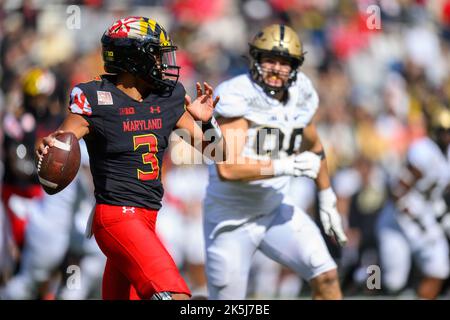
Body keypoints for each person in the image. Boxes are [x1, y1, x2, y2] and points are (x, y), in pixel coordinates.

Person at [36, 16, 226, 300]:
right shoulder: (95, 96)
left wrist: (207, 122)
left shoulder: (168, 97)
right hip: (116, 217)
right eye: (156, 55)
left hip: (149, 218)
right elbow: (66, 137)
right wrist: (51, 143)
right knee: (178, 297)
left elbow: (216, 152)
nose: (163, 63)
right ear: (134, 58)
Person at [203, 24, 347, 300]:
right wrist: (286, 166)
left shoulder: (301, 94)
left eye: (284, 62)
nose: (276, 68)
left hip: (274, 208)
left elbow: (314, 147)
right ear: (255, 59)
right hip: (230, 218)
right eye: (270, 59)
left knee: (327, 276)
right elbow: (228, 168)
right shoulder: (237, 94)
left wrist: (326, 197)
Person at [376, 106, 450, 299]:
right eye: (444, 131)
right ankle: (365, 279)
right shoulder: (424, 150)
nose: (447, 136)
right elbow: (398, 192)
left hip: (424, 216)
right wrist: (416, 218)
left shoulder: (447, 154)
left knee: (439, 268)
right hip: (399, 218)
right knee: (392, 282)